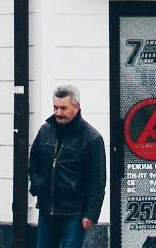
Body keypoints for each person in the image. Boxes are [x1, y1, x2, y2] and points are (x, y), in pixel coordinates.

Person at [29, 84, 105, 248]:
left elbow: (97, 181)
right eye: (55, 107)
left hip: (74, 212)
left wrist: (91, 213)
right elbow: (33, 161)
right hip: (47, 209)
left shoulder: (92, 138)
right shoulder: (45, 131)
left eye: (63, 108)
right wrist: (38, 183)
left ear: (77, 107)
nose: (58, 113)